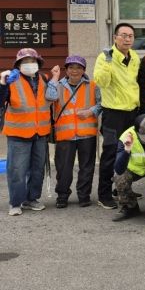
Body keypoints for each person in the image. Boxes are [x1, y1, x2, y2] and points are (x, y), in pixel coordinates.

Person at [0, 48, 59, 216]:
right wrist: (2, 83)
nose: (29, 64)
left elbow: (51, 98)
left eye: (32, 61)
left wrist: (55, 78)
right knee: (17, 170)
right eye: (25, 61)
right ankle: (15, 203)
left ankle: (31, 199)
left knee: (37, 169)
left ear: (38, 63)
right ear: (18, 64)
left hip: (40, 133)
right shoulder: (11, 79)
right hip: (18, 133)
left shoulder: (43, 78)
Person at [93, 22, 141, 210]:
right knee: (111, 153)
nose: (127, 39)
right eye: (123, 35)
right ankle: (104, 195)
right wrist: (107, 61)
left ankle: (122, 189)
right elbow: (101, 82)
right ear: (115, 38)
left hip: (132, 112)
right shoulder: (105, 57)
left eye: (130, 36)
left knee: (129, 152)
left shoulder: (134, 56)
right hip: (113, 114)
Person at [53, 55, 101, 209]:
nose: (75, 71)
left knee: (87, 167)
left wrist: (90, 111)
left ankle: (84, 196)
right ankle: (62, 196)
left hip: (87, 134)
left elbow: (101, 103)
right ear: (66, 70)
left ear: (84, 70)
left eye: (79, 67)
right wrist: (54, 78)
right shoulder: (57, 86)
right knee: (63, 168)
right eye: (71, 67)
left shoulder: (93, 85)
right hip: (65, 135)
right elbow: (48, 98)